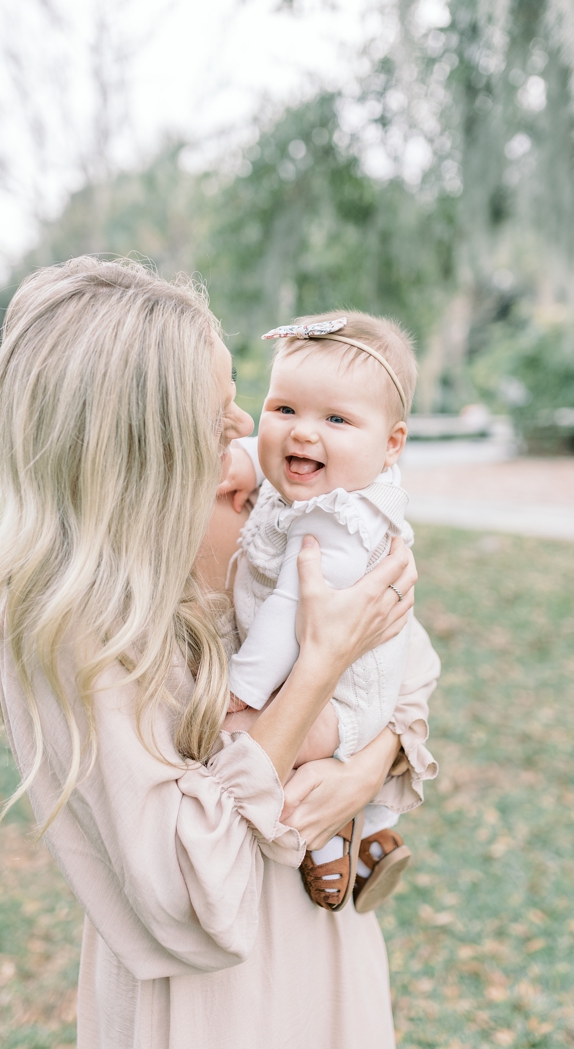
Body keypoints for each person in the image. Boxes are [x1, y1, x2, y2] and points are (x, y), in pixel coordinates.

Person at [0, 257, 438, 1047]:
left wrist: (373, 759)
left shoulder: (253, 513)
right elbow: (195, 898)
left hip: (326, 947)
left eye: (237, 406)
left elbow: (400, 655)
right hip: (208, 1005)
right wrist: (317, 670)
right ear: (137, 441)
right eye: (221, 414)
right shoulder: (75, 630)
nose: (245, 442)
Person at [222, 311, 435, 912]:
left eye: (336, 419)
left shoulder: (337, 523)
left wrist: (245, 685)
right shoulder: (320, 482)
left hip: (345, 698)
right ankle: (375, 834)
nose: (302, 434)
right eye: (284, 409)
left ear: (391, 443)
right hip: (328, 672)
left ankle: (327, 841)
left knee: (241, 738)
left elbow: (291, 608)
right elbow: (262, 452)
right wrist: (242, 458)